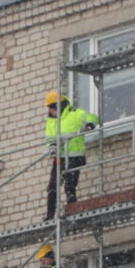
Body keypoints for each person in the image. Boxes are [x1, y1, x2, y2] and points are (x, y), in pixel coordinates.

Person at [44, 92, 99, 220]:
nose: (50, 111)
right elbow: (50, 138)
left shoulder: (74, 114)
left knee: (69, 183)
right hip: (61, 157)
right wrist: (52, 147)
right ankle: (50, 216)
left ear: (58, 106)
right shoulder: (51, 121)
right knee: (52, 186)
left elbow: (92, 117)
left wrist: (90, 124)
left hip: (75, 156)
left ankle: (72, 208)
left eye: (51, 107)